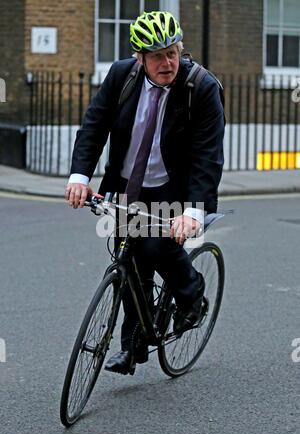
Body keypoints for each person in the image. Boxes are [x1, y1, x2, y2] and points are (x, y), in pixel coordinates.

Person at [65, 11, 225, 375]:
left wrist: (194, 211)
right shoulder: (122, 76)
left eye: (172, 52)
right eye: (157, 56)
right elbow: (94, 125)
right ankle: (133, 345)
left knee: (155, 247)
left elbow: (207, 155)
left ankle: (191, 295)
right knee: (130, 264)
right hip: (126, 187)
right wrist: (79, 176)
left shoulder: (200, 88)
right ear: (140, 58)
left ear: (180, 50)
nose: (167, 62)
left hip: (172, 189)